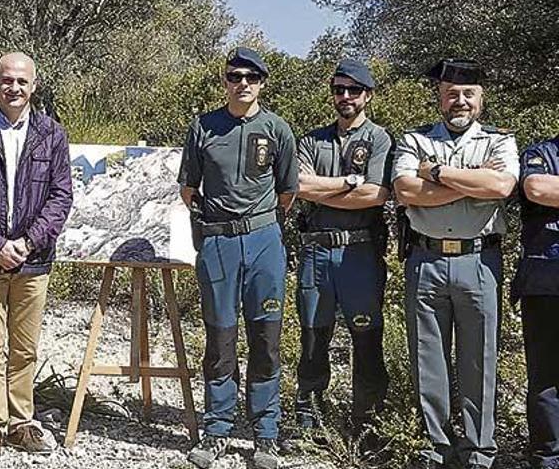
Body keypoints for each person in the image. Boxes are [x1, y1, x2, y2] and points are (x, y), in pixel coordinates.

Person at [392, 58, 518, 469]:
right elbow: (407, 191)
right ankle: (436, 447)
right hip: (425, 261)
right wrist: (469, 182)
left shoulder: (500, 142)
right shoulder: (414, 140)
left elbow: (499, 186)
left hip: (478, 262)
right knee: (428, 359)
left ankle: (479, 450)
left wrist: (439, 173)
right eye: (451, 94)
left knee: (479, 360)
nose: (459, 101)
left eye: (468, 94)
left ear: (481, 98)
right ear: (439, 98)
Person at [179, 47, 298, 469]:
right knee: (220, 339)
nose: (242, 83)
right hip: (219, 244)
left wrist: (256, 223)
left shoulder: (278, 128)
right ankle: (217, 430)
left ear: (262, 82)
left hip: (265, 240)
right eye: (234, 76)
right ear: (225, 81)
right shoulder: (204, 126)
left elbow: (287, 192)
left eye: (250, 77)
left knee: (266, 338)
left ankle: (266, 433)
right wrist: (217, 226)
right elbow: (188, 188)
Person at [0, 52, 72, 464]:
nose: (15, 88)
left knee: (24, 348)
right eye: (7, 80)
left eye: (22, 81)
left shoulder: (51, 133)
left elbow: (61, 196)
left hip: (33, 259)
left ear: (34, 85)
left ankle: (22, 421)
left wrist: (28, 241)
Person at [294, 59, 391, 438]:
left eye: (353, 90)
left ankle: (367, 424)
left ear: (367, 95)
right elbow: (298, 186)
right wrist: (349, 183)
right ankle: (309, 421)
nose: (345, 97)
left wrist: (327, 188)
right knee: (314, 336)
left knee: (366, 337)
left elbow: (374, 195)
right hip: (316, 253)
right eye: (339, 90)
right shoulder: (312, 140)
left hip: (359, 254)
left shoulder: (379, 139)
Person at [513, 136, 559, 469]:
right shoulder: (541, 152)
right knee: (546, 378)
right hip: (545, 283)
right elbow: (538, 188)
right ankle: (548, 458)